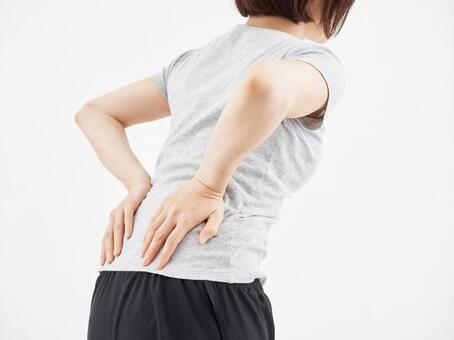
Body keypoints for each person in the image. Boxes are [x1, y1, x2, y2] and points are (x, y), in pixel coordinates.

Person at [75, 0, 355, 339]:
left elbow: (95, 112)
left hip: (118, 284)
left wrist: (138, 184)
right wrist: (208, 186)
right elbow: (265, 84)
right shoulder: (311, 63)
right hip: (204, 285)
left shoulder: (193, 61)